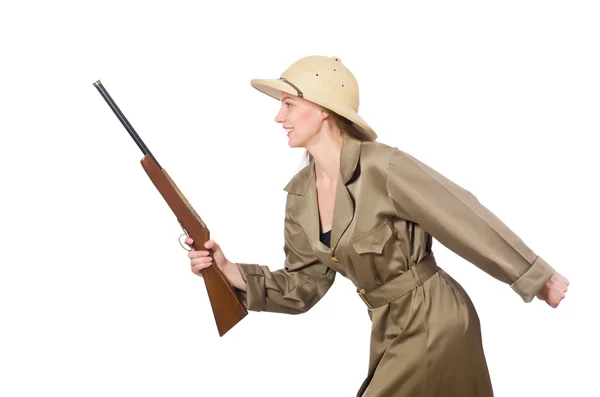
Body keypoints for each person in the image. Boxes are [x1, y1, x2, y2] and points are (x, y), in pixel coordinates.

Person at [184, 55, 569, 397]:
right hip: (386, 327)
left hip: (434, 318)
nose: (278, 117)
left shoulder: (383, 166)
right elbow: (303, 286)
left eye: (288, 104)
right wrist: (229, 271)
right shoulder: (300, 195)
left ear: (322, 110)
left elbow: (461, 215)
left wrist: (536, 275)